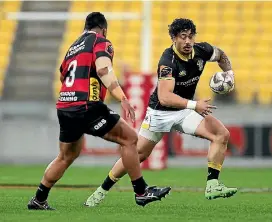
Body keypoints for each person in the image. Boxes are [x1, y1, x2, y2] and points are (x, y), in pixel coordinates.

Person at [85, 18, 238, 207]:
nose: (188, 41)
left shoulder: (203, 50)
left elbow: (221, 55)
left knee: (221, 134)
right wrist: (194, 105)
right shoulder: (168, 61)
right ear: (174, 38)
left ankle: (213, 184)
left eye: (191, 36)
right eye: (183, 37)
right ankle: (101, 190)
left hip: (184, 110)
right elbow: (165, 97)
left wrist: (229, 73)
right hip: (160, 112)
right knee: (138, 154)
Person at [27, 12, 171, 210]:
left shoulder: (72, 48)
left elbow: (63, 77)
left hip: (65, 106)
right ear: (103, 29)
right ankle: (141, 191)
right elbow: (103, 70)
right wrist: (122, 97)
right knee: (129, 139)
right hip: (86, 105)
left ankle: (38, 199)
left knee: (66, 156)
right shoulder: (100, 41)